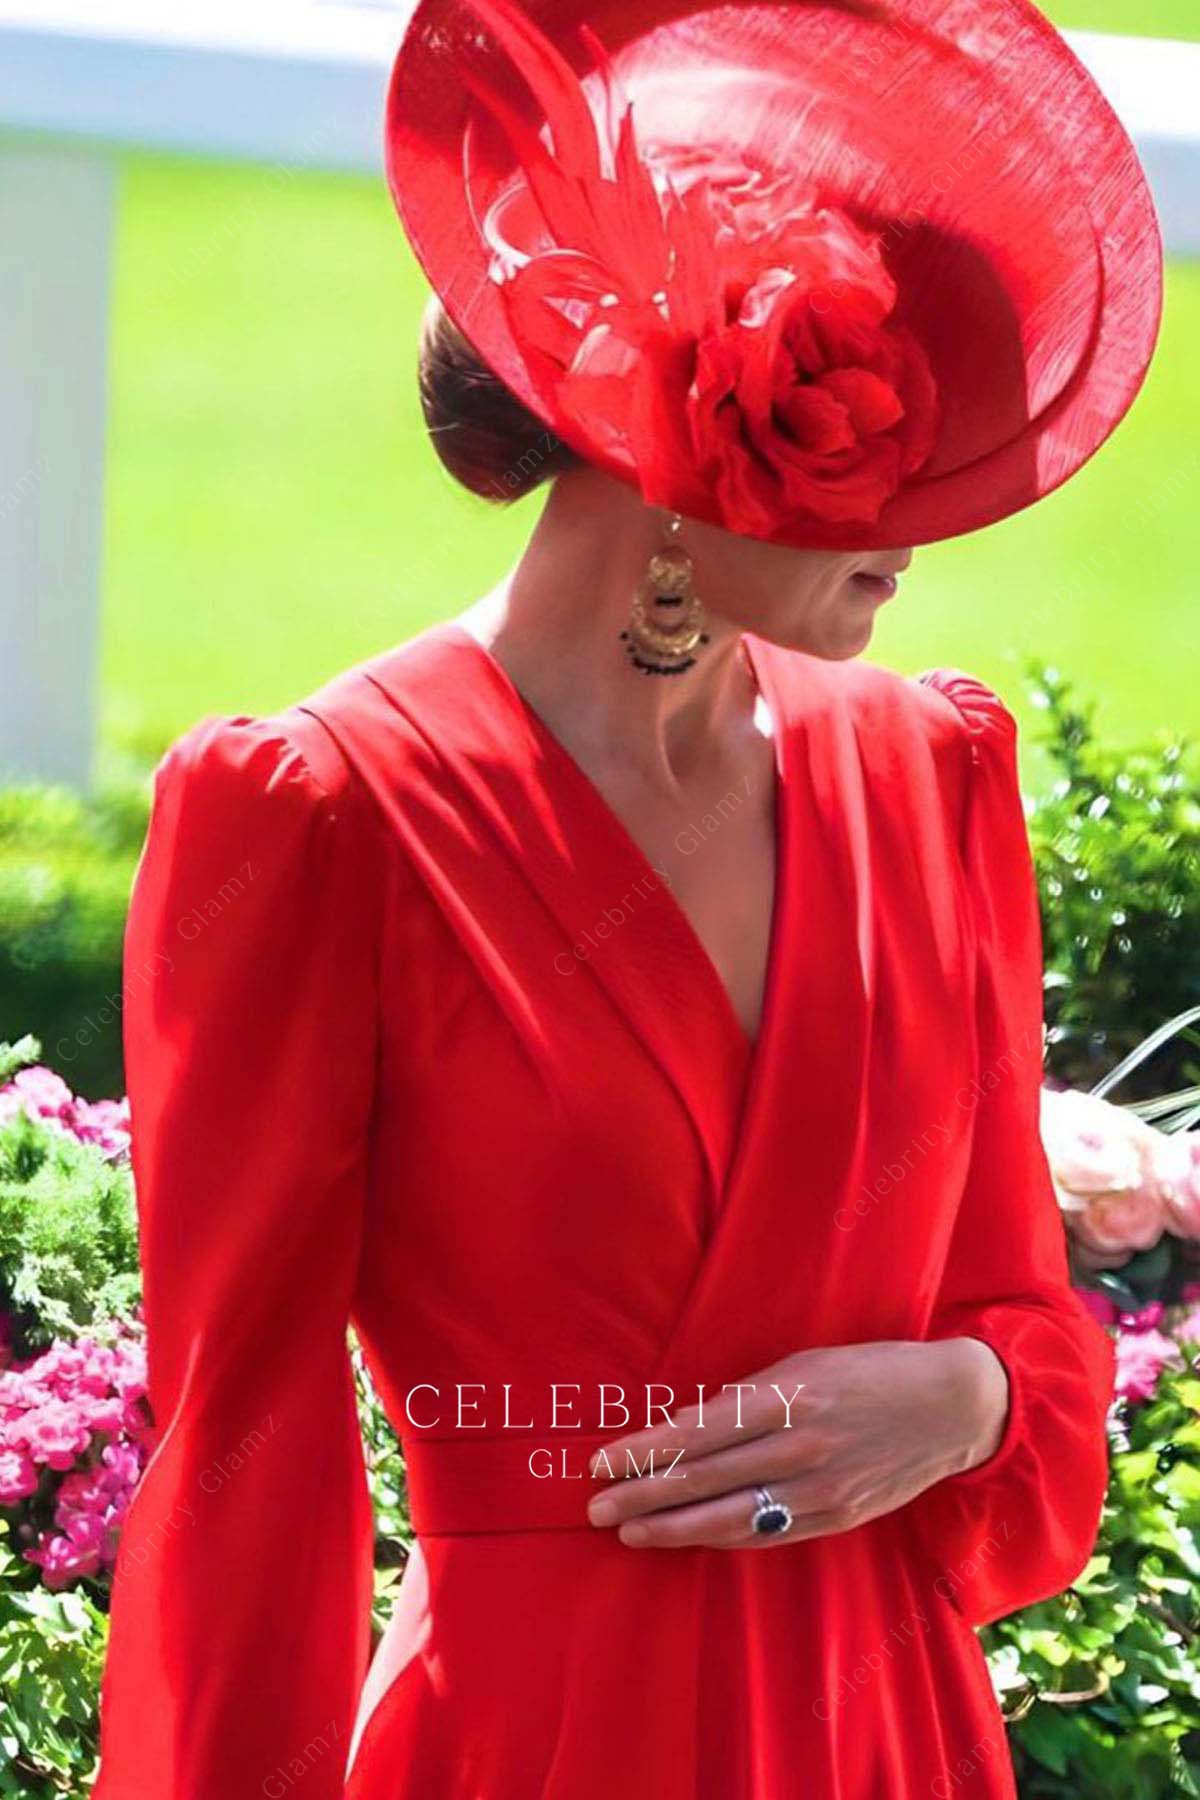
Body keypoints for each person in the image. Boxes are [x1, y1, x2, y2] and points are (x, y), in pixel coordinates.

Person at [92, 0, 1162, 1793]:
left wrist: (969, 1401)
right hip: (532, 1736)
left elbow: (1022, 1320)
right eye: (868, 427)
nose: (936, 503)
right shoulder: (322, 816)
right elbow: (245, 1451)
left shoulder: (935, 776)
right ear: (678, 445)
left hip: (889, 1732)